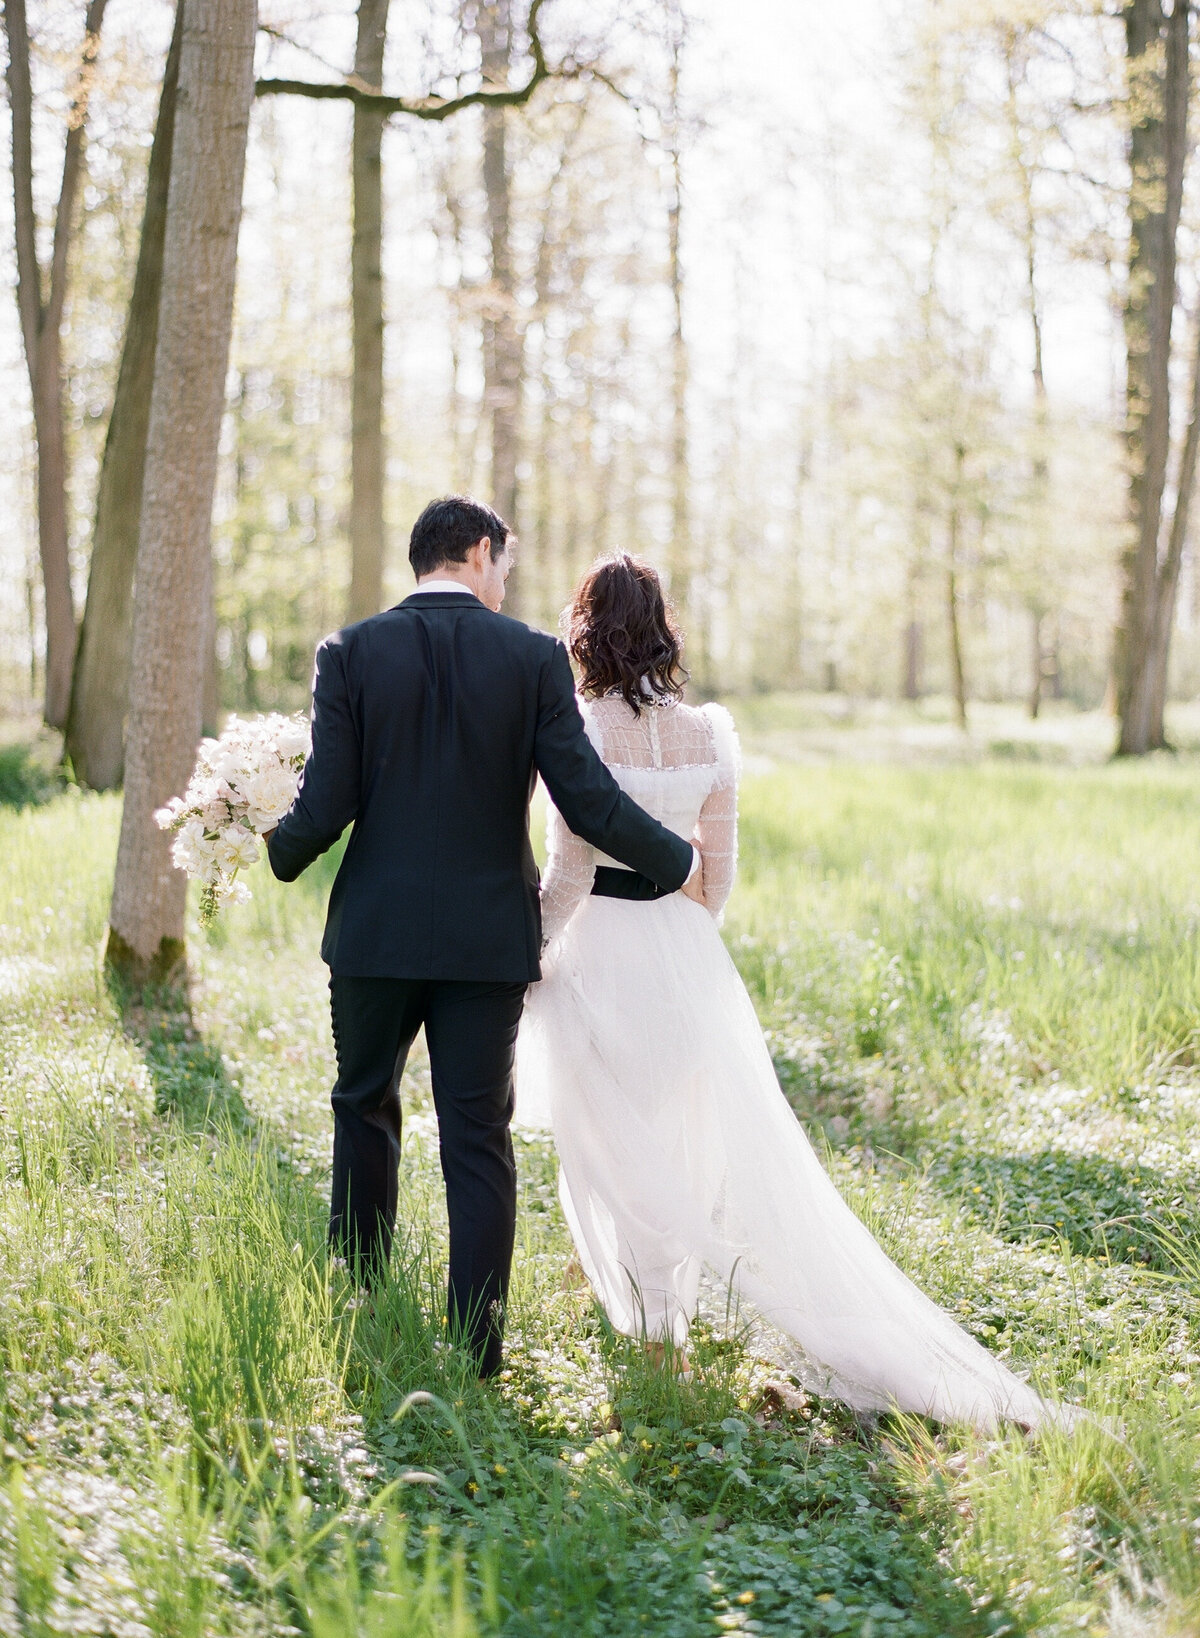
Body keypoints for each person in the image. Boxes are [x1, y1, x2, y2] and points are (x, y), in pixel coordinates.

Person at [517, 553, 1072, 1430]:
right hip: (688, 959)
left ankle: (649, 1323)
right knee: (676, 1134)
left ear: (584, 631)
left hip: (600, 954)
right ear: (662, 627)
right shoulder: (707, 735)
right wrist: (684, 945)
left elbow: (569, 872)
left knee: (614, 1147)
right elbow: (719, 877)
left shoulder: (575, 732)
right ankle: (663, 1316)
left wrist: (530, 954)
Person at [266, 498, 703, 1379]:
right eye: (503, 563)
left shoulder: (349, 653)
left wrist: (272, 846)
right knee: (477, 1136)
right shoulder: (532, 657)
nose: (506, 580)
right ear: (476, 552)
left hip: (374, 939)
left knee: (363, 1109)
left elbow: (328, 803)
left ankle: (363, 1304)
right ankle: (478, 1351)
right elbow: (585, 800)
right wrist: (673, 859)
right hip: (486, 945)